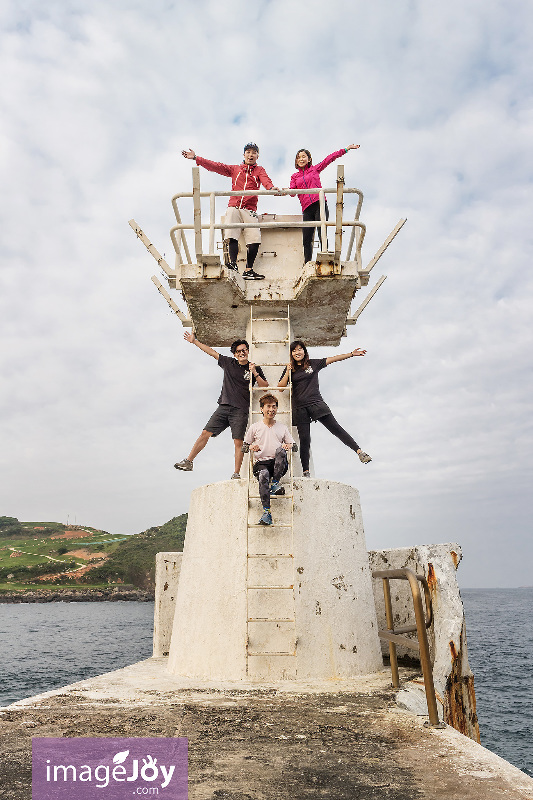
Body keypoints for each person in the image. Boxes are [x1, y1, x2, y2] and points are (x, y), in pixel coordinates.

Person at [174, 332, 268, 478]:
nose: (242, 353)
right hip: (224, 406)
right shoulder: (229, 363)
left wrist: (254, 372)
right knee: (205, 433)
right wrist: (194, 341)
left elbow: (265, 386)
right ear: (235, 354)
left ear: (248, 351)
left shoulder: (254, 368)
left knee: (238, 442)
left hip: (240, 410)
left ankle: (236, 473)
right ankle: (188, 461)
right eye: (238, 351)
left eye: (244, 350)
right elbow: (212, 352)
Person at [181, 143, 280, 280]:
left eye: (254, 153)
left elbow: (265, 180)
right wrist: (196, 158)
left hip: (250, 209)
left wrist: (271, 188)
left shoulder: (259, 170)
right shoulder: (235, 169)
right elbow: (216, 166)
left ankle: (248, 270)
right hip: (234, 205)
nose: (251, 155)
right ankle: (232, 264)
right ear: (244, 154)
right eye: (248, 152)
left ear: (257, 156)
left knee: (255, 238)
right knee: (231, 234)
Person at [278, 340, 371, 477]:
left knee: (335, 428)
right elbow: (280, 388)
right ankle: (306, 471)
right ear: (291, 354)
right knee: (304, 439)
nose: (297, 352)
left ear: (304, 351)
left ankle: (359, 452)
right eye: (294, 350)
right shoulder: (291, 369)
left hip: (316, 403)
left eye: (300, 349)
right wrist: (287, 371)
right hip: (300, 408)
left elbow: (333, 359)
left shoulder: (313, 364)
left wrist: (351, 354)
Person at [289, 145, 360, 264]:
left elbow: (329, 158)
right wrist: (284, 191)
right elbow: (292, 192)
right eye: (298, 157)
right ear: (296, 161)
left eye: (303, 156)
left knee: (322, 231)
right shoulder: (294, 176)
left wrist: (346, 149)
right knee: (306, 238)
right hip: (306, 208)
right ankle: (307, 262)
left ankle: (325, 255)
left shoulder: (315, 169)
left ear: (309, 159)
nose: (301, 159)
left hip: (319, 204)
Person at [242, 393, 296, 526]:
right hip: (261, 464)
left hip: (278, 464)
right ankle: (267, 513)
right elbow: (244, 447)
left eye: (274, 407)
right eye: (268, 406)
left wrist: (287, 445)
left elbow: (294, 447)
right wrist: (251, 447)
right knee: (264, 475)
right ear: (262, 409)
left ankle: (275, 483)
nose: (271, 409)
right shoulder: (255, 427)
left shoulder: (282, 427)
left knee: (280, 451)